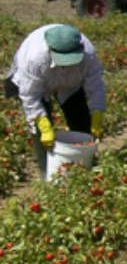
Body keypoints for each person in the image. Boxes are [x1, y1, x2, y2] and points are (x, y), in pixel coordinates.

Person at [4, 24, 106, 175]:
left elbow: (96, 86)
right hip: (39, 83)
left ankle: (84, 165)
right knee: (42, 132)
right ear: (50, 50)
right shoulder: (34, 58)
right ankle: (47, 172)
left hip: (72, 83)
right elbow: (30, 96)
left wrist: (97, 113)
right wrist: (43, 125)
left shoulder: (88, 54)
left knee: (81, 121)